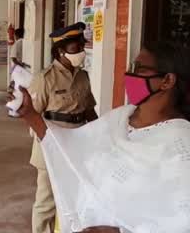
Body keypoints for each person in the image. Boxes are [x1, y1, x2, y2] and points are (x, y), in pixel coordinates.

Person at [11, 42, 190, 233]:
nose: (129, 75)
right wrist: (30, 114)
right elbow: (72, 146)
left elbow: (180, 219)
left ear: (167, 80)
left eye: (139, 69)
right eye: (131, 67)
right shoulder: (120, 118)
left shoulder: (181, 146)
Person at [25, 22, 98, 233]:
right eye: (76, 48)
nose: (81, 52)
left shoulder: (83, 76)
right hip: (51, 145)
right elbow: (31, 115)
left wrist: (100, 134)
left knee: (72, 196)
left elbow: (89, 111)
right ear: (60, 50)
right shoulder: (44, 79)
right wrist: (45, 143)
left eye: (82, 47)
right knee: (46, 200)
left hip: (77, 144)